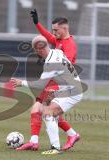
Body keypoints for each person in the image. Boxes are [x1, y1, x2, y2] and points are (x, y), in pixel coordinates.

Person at [16, 9, 80, 151]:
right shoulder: (58, 40)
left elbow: (64, 67)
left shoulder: (69, 45)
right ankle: (67, 135)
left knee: (44, 109)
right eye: (53, 30)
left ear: (65, 28)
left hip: (60, 84)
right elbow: (46, 38)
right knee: (42, 109)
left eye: (56, 30)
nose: (54, 33)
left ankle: (55, 140)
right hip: (56, 82)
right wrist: (37, 23)